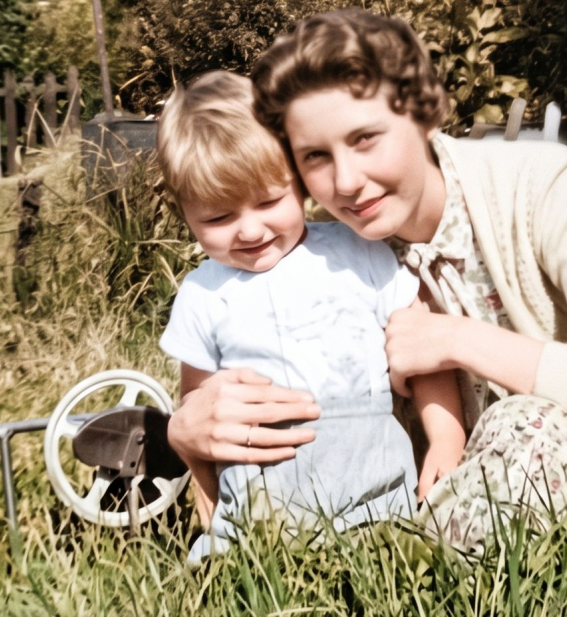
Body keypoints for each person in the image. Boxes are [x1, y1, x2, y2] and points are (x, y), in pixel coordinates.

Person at [168, 10, 567, 555]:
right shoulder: (334, 256)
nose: (346, 181)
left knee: (519, 425)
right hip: (426, 501)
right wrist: (184, 436)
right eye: (316, 156)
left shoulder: (546, 183)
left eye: (366, 138)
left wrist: (457, 339)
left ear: (426, 115)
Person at [156, 71, 465, 560]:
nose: (250, 230)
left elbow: (421, 350)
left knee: (403, 561)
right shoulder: (202, 293)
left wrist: (446, 438)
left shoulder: (356, 250)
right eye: (218, 217)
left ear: (298, 182)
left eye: (269, 201)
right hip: (263, 496)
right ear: (185, 214)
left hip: (375, 485)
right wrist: (207, 502)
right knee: (239, 570)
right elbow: (202, 414)